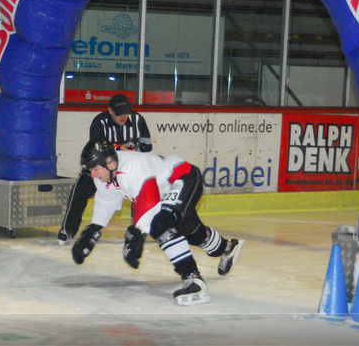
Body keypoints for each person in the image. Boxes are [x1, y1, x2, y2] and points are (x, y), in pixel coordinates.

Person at [71, 139, 244, 305]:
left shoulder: (132, 167)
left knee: (162, 224)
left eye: (95, 169)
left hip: (183, 177)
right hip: (166, 192)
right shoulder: (106, 175)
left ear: (110, 163)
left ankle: (193, 279)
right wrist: (92, 230)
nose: (93, 175)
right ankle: (227, 248)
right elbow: (106, 202)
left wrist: (137, 233)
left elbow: (149, 203)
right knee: (190, 232)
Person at [57, 94, 152, 243]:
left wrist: (136, 150)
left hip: (127, 168)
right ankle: (67, 230)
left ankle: (145, 229)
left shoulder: (138, 119)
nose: (124, 116)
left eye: (126, 112)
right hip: (101, 168)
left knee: (146, 191)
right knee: (79, 191)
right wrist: (119, 148)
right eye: (119, 113)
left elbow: (147, 145)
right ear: (110, 111)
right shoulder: (99, 121)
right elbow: (96, 145)